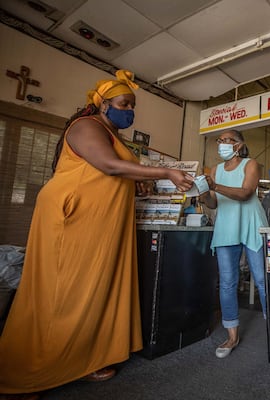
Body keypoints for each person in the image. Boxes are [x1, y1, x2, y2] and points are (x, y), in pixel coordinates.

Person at [0, 70, 194, 399]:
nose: (129, 110)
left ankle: (83, 359)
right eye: (124, 103)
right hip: (73, 219)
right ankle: (25, 375)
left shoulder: (113, 135)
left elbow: (112, 176)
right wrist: (164, 171)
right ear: (102, 104)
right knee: (61, 294)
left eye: (132, 105)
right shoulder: (86, 126)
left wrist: (137, 184)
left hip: (101, 224)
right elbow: (108, 166)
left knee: (93, 291)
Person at [199, 129, 268, 359]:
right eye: (219, 141)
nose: (221, 145)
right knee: (228, 282)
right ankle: (232, 336)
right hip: (227, 225)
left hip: (250, 222)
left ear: (238, 145)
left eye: (226, 141)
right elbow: (214, 203)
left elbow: (247, 193)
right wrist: (202, 194)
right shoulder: (216, 170)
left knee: (261, 279)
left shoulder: (251, 164)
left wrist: (214, 186)